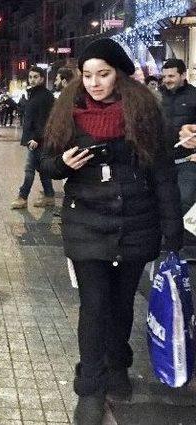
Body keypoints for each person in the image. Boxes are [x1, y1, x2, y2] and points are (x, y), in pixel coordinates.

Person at [40, 38, 183, 425]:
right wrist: (61, 165)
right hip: (86, 222)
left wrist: (173, 232)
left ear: (119, 74)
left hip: (137, 222)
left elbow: (164, 176)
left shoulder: (145, 113)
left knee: (122, 305)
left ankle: (118, 364)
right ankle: (90, 384)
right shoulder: (68, 110)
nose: (94, 83)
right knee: (95, 305)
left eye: (103, 74)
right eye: (87, 75)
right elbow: (46, 160)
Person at [11, 66, 55, 209]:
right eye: (30, 77)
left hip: (38, 140)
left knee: (29, 169)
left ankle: (23, 197)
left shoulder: (44, 96)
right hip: (36, 139)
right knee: (42, 169)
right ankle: (49, 196)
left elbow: (45, 119)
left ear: (42, 78)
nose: (32, 80)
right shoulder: (35, 94)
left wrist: (36, 138)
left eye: (36, 77)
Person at [160, 58, 196, 215]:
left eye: (171, 76)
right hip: (161, 159)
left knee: (183, 201)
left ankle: (183, 238)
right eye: (165, 76)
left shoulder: (194, 95)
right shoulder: (155, 96)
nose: (167, 80)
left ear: (183, 75)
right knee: (161, 202)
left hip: (187, 161)